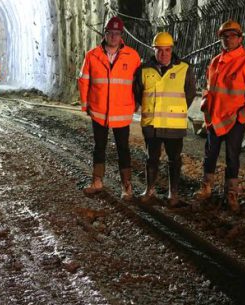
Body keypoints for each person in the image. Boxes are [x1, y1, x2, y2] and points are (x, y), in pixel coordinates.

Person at [194, 20, 245, 212]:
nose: (228, 39)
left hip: (234, 120)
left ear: (240, 38)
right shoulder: (215, 61)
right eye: (225, 37)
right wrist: (205, 104)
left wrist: (243, 116)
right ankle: (206, 187)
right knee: (210, 155)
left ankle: (231, 194)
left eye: (232, 36)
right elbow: (209, 88)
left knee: (232, 158)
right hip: (215, 118)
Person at [78, 16, 141, 200]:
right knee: (99, 146)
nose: (113, 37)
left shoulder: (133, 56)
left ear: (122, 35)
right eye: (110, 33)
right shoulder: (92, 55)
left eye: (117, 33)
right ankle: (97, 181)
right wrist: (85, 105)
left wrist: (137, 102)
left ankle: (126, 185)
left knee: (123, 148)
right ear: (105, 34)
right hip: (99, 110)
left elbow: (139, 83)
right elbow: (83, 81)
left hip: (122, 111)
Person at [133, 32, 197, 207]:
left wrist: (175, 110)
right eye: (159, 50)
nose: (163, 54)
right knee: (151, 158)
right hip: (152, 124)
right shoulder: (143, 70)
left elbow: (190, 94)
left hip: (173, 124)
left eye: (167, 50)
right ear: (154, 50)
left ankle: (172, 194)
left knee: (174, 159)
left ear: (172, 49)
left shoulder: (184, 69)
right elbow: (139, 94)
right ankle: (149, 190)